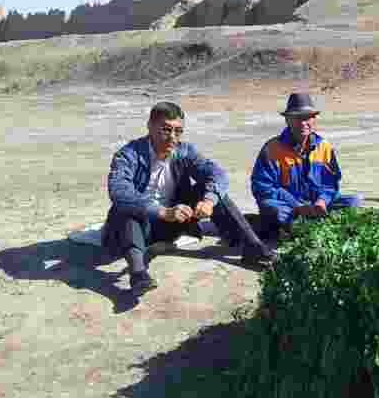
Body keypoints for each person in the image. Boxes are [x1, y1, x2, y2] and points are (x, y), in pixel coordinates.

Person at [102, 101, 277, 296]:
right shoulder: (129, 155)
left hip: (171, 224)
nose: (172, 138)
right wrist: (162, 211)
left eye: (178, 132)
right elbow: (119, 191)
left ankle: (254, 247)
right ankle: (138, 274)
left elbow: (216, 173)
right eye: (166, 130)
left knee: (210, 190)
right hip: (137, 227)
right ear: (150, 126)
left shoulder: (184, 151)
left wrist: (209, 201)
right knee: (126, 208)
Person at [251, 93, 362, 238]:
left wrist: (322, 201)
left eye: (307, 117)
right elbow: (263, 188)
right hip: (288, 207)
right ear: (287, 120)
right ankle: (287, 226)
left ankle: (301, 224)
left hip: (315, 206)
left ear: (314, 119)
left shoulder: (324, 147)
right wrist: (297, 206)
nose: (303, 123)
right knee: (275, 210)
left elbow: (331, 184)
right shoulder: (272, 149)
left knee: (354, 201)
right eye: (298, 118)